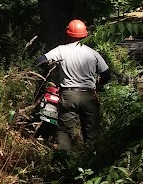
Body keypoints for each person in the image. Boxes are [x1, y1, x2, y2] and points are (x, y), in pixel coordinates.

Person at [37, 19, 111, 152]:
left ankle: (64, 158)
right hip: (89, 95)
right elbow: (106, 74)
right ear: (85, 35)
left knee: (64, 131)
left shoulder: (61, 50)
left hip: (68, 95)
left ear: (68, 34)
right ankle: (91, 158)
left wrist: (51, 71)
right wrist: (98, 87)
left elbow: (41, 60)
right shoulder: (93, 53)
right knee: (92, 133)